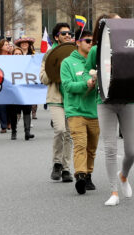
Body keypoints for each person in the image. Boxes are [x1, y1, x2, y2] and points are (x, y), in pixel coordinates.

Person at [84, 15, 134, 207]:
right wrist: (89, 80)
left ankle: (123, 175)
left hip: (127, 100)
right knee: (110, 148)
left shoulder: (130, 46)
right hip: (105, 101)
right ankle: (114, 191)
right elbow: (86, 71)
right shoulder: (96, 50)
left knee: (132, 150)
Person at [61, 24, 99, 194]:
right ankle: (81, 176)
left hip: (94, 111)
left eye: (93, 41)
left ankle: (89, 173)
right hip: (75, 111)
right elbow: (68, 86)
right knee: (80, 145)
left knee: (92, 147)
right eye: (88, 41)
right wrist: (86, 84)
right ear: (78, 42)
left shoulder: (97, 62)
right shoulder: (68, 62)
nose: (91, 44)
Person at [41, 22, 75, 182]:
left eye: (70, 33)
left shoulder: (76, 53)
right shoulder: (49, 54)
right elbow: (43, 78)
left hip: (72, 98)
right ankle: (56, 163)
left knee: (69, 134)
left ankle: (66, 168)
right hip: (55, 98)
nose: (68, 35)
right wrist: (54, 69)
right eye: (64, 33)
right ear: (56, 37)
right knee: (60, 130)